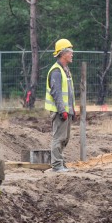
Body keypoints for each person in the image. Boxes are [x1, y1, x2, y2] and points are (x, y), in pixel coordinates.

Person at [45, 38, 76, 172]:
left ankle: (61, 164)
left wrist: (72, 109)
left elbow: (68, 93)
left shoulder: (65, 70)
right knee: (59, 138)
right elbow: (56, 93)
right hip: (59, 111)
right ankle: (57, 166)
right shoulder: (56, 71)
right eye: (70, 51)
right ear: (63, 53)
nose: (72, 54)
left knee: (65, 138)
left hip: (66, 111)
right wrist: (62, 110)